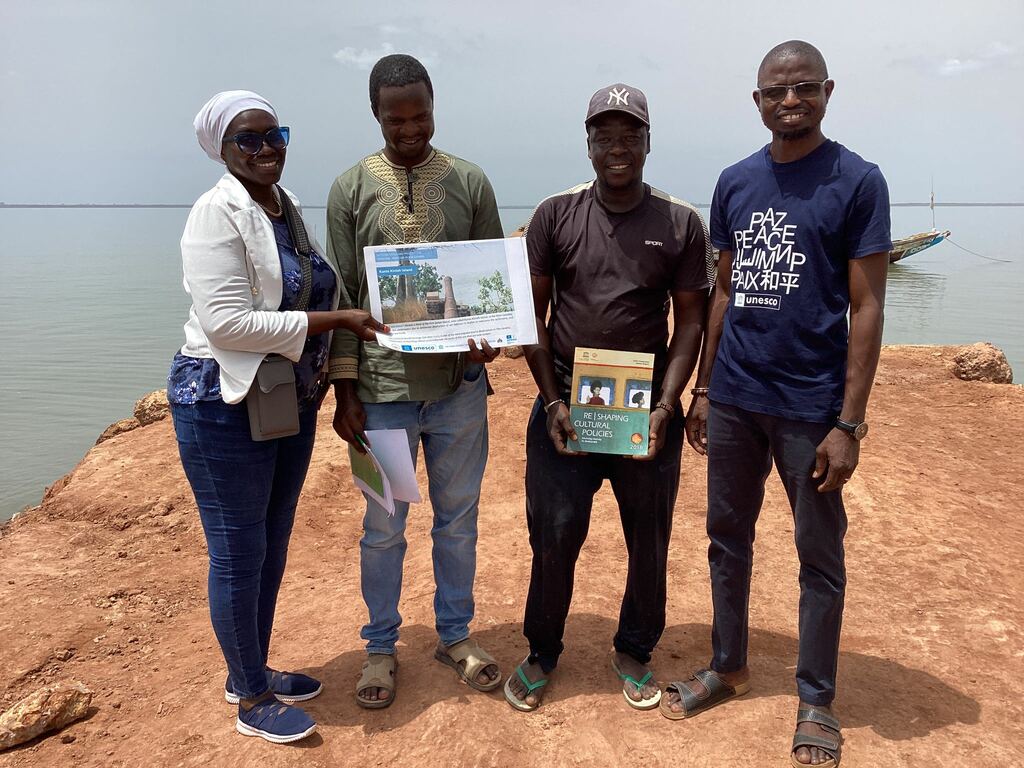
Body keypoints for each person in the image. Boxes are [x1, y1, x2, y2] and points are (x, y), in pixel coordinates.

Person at [661, 42, 891, 768]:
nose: (790, 101)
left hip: (810, 408)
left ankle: (816, 698)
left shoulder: (858, 181)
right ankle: (727, 665)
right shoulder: (735, 182)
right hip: (735, 397)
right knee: (726, 538)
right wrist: (704, 389)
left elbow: (868, 306)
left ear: (827, 91)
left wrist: (848, 423)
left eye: (803, 88)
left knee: (818, 554)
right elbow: (724, 290)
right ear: (756, 101)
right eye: (775, 91)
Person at [169, 90, 387, 744]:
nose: (266, 148)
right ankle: (251, 698)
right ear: (222, 149)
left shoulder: (283, 207)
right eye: (248, 139)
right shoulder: (215, 214)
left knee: (270, 541)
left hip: (285, 400)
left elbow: (314, 282)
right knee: (238, 551)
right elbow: (227, 325)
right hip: (223, 402)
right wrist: (337, 319)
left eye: (274, 134)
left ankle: (252, 669)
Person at [505, 84, 711, 712]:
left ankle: (634, 648)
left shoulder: (680, 222)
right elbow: (532, 317)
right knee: (554, 533)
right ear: (588, 143)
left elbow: (691, 323)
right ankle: (542, 650)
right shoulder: (555, 214)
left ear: (648, 142)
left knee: (648, 537)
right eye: (605, 137)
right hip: (567, 404)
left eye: (630, 136)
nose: (617, 148)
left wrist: (667, 407)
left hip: (644, 408)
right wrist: (551, 401)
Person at [325, 54, 504, 708]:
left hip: (458, 393)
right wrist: (345, 393)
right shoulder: (349, 189)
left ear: (434, 107)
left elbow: (490, 281)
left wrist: (488, 340)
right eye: (394, 119)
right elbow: (344, 294)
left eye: (420, 115)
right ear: (375, 115)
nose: (409, 129)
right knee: (383, 527)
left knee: (457, 522)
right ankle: (380, 645)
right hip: (381, 398)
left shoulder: (470, 181)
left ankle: (455, 635)